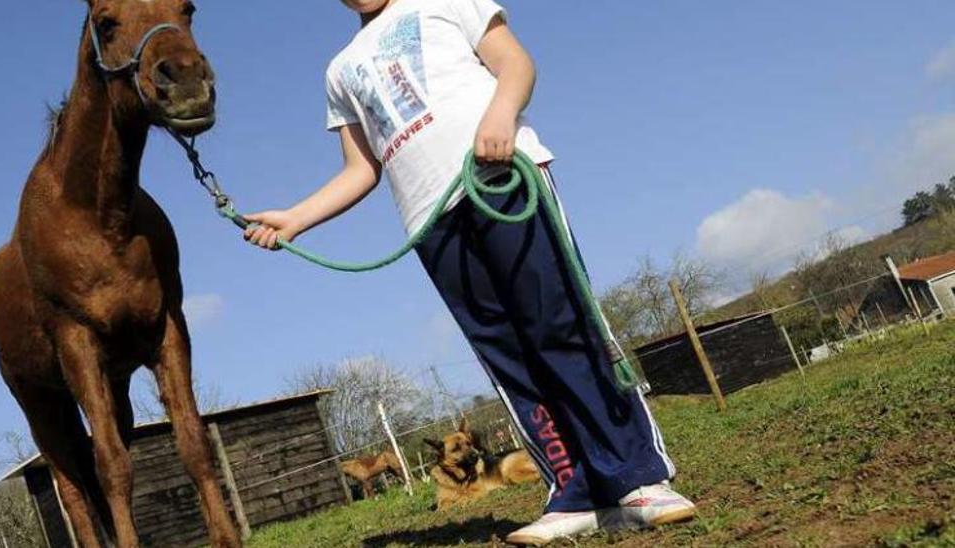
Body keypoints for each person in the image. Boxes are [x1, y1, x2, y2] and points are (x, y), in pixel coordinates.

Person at [241, 0, 696, 545]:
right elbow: (362, 167)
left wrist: (501, 114)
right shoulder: (340, 69)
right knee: (506, 353)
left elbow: (516, 63)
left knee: (558, 325)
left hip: (499, 178)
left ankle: (637, 479)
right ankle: (571, 490)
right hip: (430, 222)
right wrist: (295, 219)